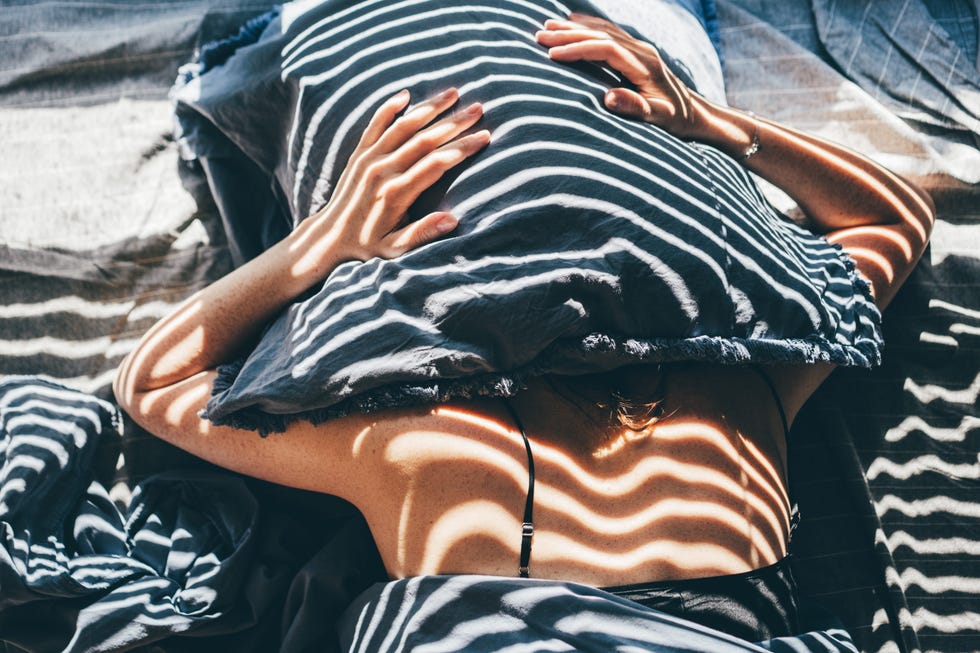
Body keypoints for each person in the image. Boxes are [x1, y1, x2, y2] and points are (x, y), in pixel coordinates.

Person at [113, 12, 934, 643]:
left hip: (585, 37)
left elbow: (894, 221)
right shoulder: (440, 462)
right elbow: (153, 385)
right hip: (455, 36)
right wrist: (321, 244)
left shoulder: (729, 418)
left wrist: (705, 125)